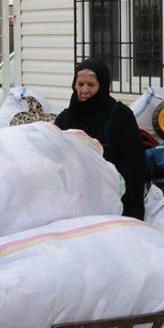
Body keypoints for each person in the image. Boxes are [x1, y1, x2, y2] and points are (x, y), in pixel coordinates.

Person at [53, 59, 146, 220]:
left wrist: (128, 211)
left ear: (102, 86)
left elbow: (134, 167)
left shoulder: (120, 116)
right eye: (80, 84)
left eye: (91, 85)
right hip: (75, 202)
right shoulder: (65, 119)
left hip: (112, 201)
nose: (84, 90)